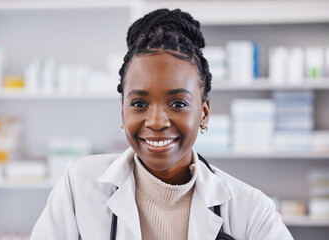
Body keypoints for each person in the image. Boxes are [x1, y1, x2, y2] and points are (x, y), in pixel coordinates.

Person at [31, 9, 293, 240]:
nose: (156, 122)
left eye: (178, 103)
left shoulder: (250, 210)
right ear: (122, 112)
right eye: (139, 104)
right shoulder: (79, 186)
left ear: (204, 113)